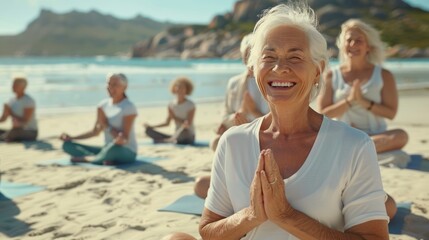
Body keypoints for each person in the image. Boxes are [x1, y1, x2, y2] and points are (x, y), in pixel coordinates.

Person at [166, 3, 390, 239]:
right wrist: (251, 215)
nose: (280, 68)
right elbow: (209, 231)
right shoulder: (233, 141)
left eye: (295, 57)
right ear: (254, 68)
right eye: (269, 56)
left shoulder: (354, 145)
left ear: (317, 70)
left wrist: (285, 215)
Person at [317, 19, 408, 154]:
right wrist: (349, 101)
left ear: (368, 47)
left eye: (359, 41)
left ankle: (355, 150)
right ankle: (360, 151)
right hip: (344, 135)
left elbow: (391, 113)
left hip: (375, 135)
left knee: (401, 136)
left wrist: (362, 102)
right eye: (349, 40)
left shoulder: (384, 75)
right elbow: (323, 114)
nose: (353, 44)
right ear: (342, 45)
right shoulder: (331, 75)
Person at [60, 73, 138, 165]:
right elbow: (95, 132)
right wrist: (72, 137)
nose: (110, 87)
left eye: (114, 85)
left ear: (124, 87)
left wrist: (107, 126)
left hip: (125, 150)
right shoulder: (102, 106)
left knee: (113, 149)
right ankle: (103, 158)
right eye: (108, 84)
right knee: (67, 146)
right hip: (107, 148)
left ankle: (89, 159)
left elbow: (125, 139)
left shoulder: (129, 107)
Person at [210, 33, 269, 152]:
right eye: (247, 54)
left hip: (263, 133)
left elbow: (280, 121)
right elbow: (226, 113)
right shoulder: (234, 83)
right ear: (242, 57)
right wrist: (230, 121)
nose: (250, 58)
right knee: (216, 142)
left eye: (254, 53)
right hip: (237, 130)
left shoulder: (271, 83)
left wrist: (254, 112)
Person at [144, 77, 196, 145]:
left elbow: (187, 124)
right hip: (176, 135)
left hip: (187, 136)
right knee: (148, 131)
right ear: (174, 88)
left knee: (184, 128)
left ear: (187, 90)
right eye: (178, 87)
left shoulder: (190, 105)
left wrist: (174, 117)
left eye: (182, 87)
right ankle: (171, 139)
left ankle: (169, 140)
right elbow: (167, 123)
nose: (180, 89)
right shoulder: (171, 105)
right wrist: (151, 126)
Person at [0, 76, 38, 142]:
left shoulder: (28, 101)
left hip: (30, 131)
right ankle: (4, 137)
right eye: (13, 84)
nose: (13, 87)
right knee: (10, 131)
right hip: (15, 130)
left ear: (23, 87)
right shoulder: (11, 101)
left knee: (14, 132)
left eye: (15, 85)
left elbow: (25, 121)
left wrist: (11, 112)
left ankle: (4, 138)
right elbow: (4, 118)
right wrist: (6, 112)